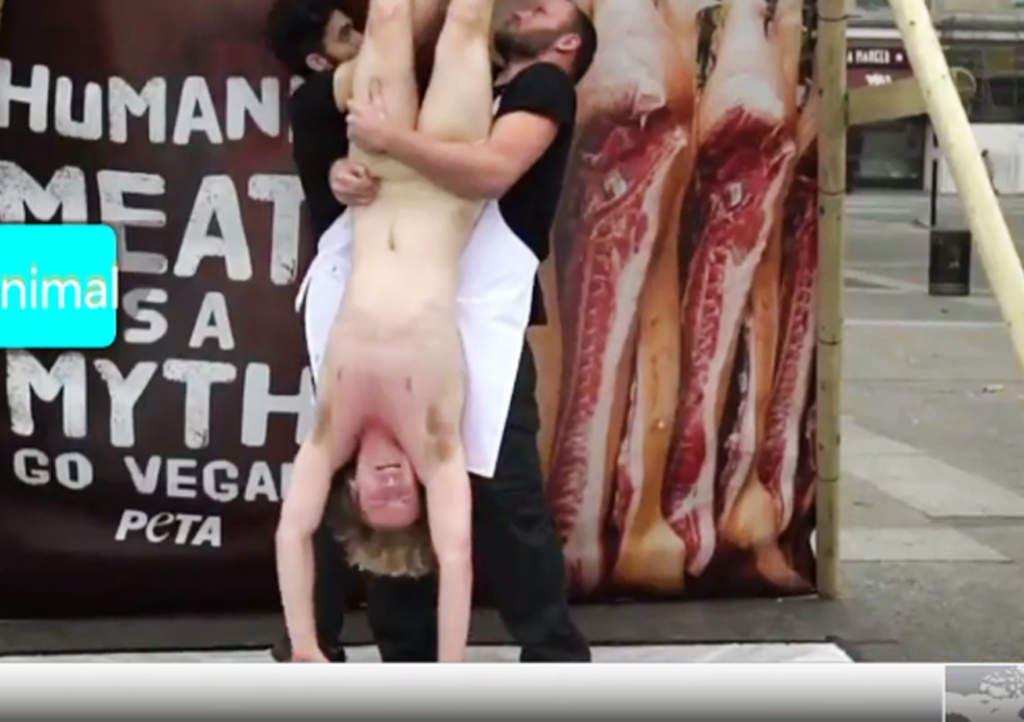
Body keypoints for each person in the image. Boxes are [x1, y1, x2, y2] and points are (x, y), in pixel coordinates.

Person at [276, 0, 598, 663]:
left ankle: (552, 654)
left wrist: (389, 141)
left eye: (548, 9)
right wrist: (339, 172)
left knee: (503, 495)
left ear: (567, 44)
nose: (529, 5)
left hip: (476, 310)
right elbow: (319, 117)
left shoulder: (542, 87)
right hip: (376, 289)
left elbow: (493, 171)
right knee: (379, 501)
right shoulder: (367, 93)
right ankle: (387, 651)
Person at [265, 0, 445, 663]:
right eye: (347, 33)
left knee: (403, 473)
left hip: (415, 296)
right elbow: (389, 39)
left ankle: (408, 645)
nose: (363, 37)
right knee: (350, 469)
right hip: (350, 306)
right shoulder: (318, 101)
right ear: (319, 59)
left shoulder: (410, 88)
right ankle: (311, 638)